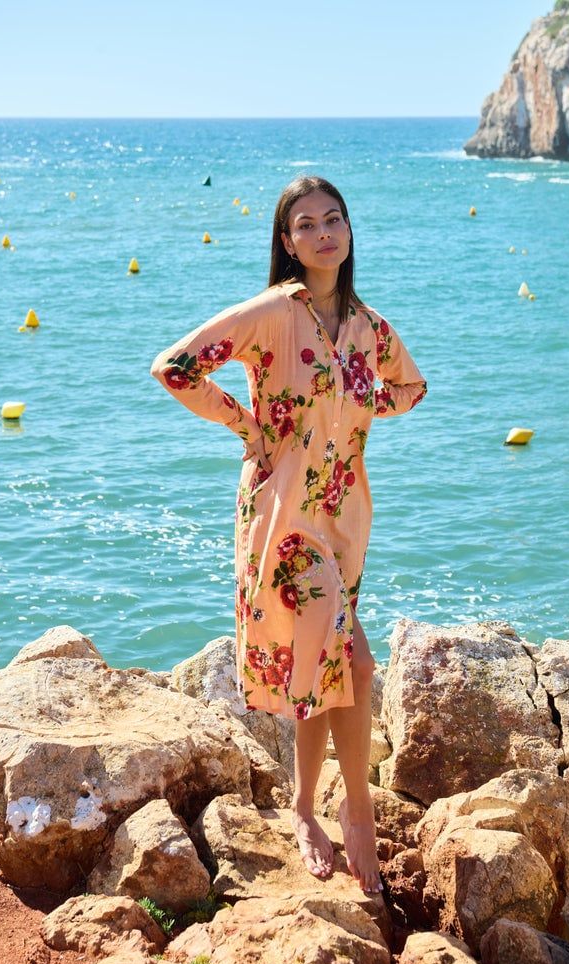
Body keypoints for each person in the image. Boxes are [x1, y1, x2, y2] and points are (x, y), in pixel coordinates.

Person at [150, 175, 427, 895]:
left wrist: (353, 399)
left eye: (334, 219)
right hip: (281, 516)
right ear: (287, 242)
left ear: (349, 231)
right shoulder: (274, 311)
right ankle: (357, 811)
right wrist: (246, 427)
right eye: (306, 224)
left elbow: (410, 388)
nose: (323, 233)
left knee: (323, 663)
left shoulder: (368, 326)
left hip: (342, 515)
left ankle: (304, 807)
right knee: (355, 664)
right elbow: (174, 367)